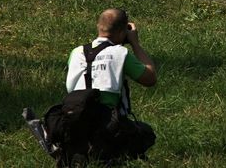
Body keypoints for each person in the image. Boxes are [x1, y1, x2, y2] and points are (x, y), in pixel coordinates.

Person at [63, 8, 156, 164]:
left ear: (99, 27)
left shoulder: (76, 52)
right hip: (107, 125)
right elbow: (150, 78)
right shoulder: (120, 53)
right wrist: (135, 43)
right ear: (122, 32)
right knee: (146, 133)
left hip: (74, 121)